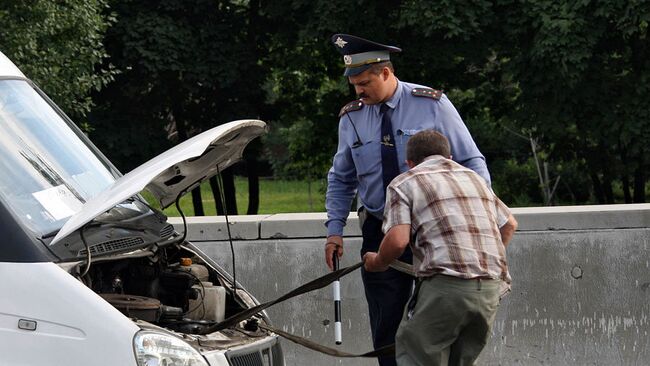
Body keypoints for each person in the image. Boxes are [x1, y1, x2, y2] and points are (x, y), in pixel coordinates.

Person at [324, 34, 491, 366]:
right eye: (354, 84)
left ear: (386, 73)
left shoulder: (431, 104)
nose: (359, 90)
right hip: (379, 228)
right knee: (386, 323)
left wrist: (480, 212)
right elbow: (341, 178)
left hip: (433, 230)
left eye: (365, 82)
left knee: (437, 322)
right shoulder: (352, 117)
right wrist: (334, 229)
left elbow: (471, 162)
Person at [363, 130, 518, 366]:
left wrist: (376, 262)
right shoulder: (474, 178)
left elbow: (397, 241)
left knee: (416, 356)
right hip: (490, 287)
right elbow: (509, 225)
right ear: (450, 156)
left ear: (410, 162)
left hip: (446, 286)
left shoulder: (405, 182)